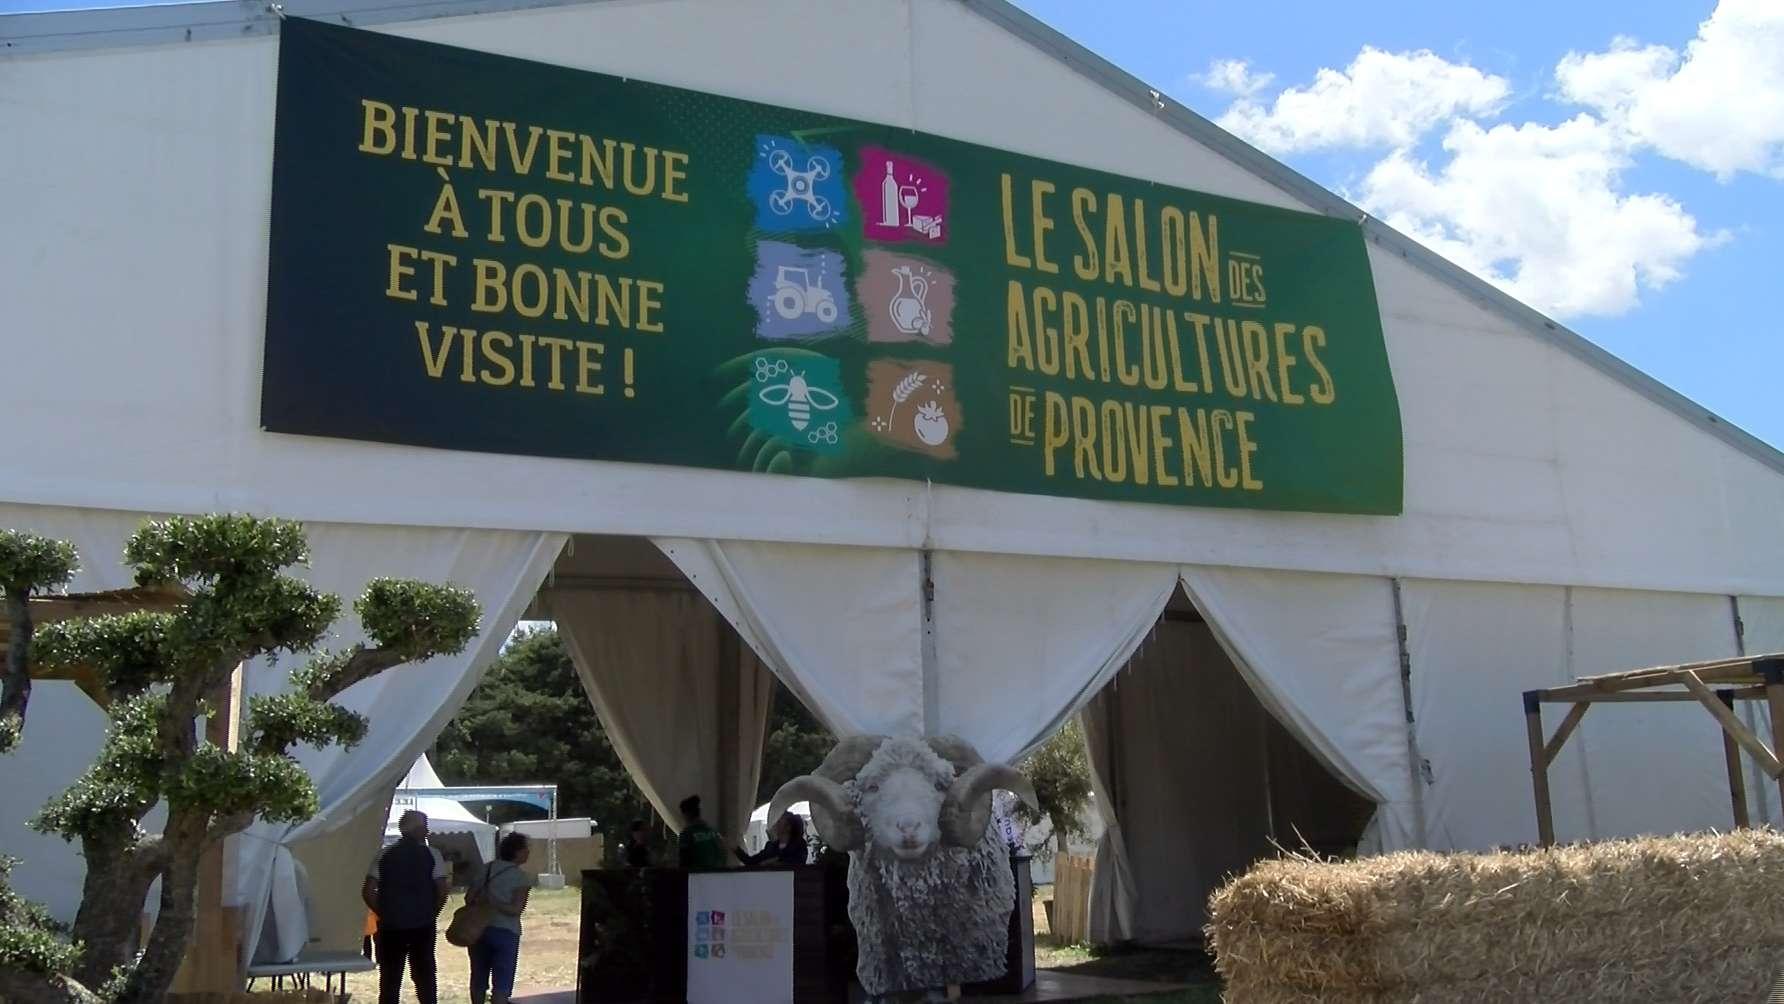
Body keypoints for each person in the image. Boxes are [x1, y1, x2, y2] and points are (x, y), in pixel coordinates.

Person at [362, 810, 449, 1004]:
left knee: (390, 980)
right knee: (425, 977)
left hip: (391, 926)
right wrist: (432, 912)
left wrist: (383, 912)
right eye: (424, 826)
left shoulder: (384, 854)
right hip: (422, 924)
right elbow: (442, 890)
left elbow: (368, 890)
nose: (427, 831)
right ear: (417, 829)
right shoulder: (432, 854)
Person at [467, 831, 536, 1004]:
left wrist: (485, 900)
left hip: (478, 929)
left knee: (478, 978)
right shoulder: (521, 877)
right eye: (526, 849)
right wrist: (496, 902)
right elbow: (515, 910)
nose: (528, 853)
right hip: (506, 932)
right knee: (502, 984)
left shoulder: (487, 868)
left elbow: (468, 898)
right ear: (518, 852)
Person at [734, 811, 808, 867]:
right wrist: (736, 849)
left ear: (788, 827)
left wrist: (773, 862)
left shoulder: (799, 844)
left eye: (779, 821)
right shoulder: (771, 846)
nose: (776, 824)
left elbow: (797, 862)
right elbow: (752, 861)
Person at [677, 794, 726, 869]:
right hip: (716, 876)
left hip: (696, 877)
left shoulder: (686, 834)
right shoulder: (713, 832)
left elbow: (684, 862)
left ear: (686, 815)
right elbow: (723, 855)